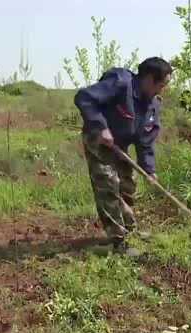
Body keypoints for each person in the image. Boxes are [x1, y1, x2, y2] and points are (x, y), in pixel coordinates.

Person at [74, 57, 173, 254]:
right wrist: (101, 127)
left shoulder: (152, 104)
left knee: (128, 185)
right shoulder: (120, 82)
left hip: (120, 145)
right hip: (100, 141)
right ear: (148, 79)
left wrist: (149, 169)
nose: (162, 90)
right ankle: (118, 242)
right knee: (109, 187)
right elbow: (84, 98)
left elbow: (146, 140)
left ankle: (130, 231)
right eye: (161, 85)